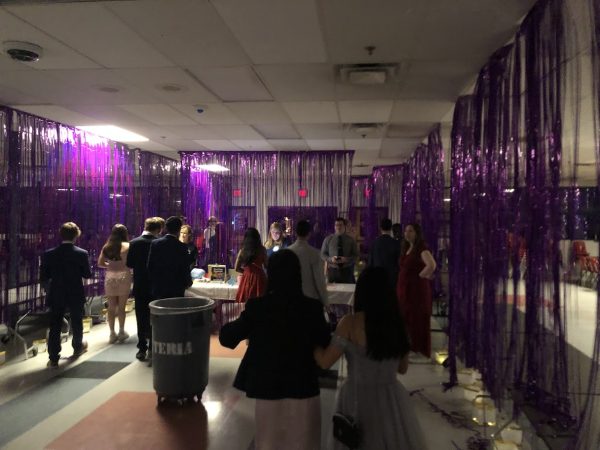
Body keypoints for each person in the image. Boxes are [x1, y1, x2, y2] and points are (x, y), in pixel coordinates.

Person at [220, 250, 331, 450]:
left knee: (269, 443)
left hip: (268, 387)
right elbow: (325, 341)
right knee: (305, 443)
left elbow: (227, 338)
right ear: (298, 274)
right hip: (303, 385)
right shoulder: (312, 308)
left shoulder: (258, 307)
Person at [314, 267, 428, 449]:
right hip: (391, 399)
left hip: (356, 397)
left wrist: (313, 343)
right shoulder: (398, 325)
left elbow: (325, 361)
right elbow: (402, 368)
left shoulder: (349, 323)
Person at [41, 222, 92, 369]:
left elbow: (44, 276)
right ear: (76, 235)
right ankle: (77, 347)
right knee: (77, 321)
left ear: (60, 234)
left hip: (56, 292)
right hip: (75, 291)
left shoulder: (49, 254)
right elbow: (87, 274)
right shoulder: (82, 253)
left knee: (55, 324)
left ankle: (53, 357)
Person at [126, 216, 164, 361]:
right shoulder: (159, 243)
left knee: (140, 317)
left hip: (140, 285)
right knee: (155, 316)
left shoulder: (134, 243)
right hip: (156, 285)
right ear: (159, 229)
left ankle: (141, 347)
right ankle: (153, 347)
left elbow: (129, 263)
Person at [396, 223, 436, 358]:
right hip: (404, 288)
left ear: (417, 233)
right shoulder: (407, 247)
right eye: (406, 231)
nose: (407, 233)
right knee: (405, 317)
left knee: (415, 318)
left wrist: (420, 276)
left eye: (410, 231)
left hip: (416, 290)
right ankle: (407, 346)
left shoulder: (421, 249)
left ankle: (416, 348)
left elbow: (431, 265)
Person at [98, 224, 132, 344]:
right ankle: (122, 331)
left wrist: (111, 265)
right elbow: (132, 262)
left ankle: (112, 333)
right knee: (122, 307)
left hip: (110, 277)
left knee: (111, 307)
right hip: (124, 276)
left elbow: (100, 263)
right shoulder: (128, 246)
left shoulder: (107, 247)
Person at [147, 216, 193, 299]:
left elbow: (150, 265)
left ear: (166, 228)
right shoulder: (182, 247)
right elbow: (185, 268)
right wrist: (188, 282)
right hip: (176, 288)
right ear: (179, 229)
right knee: (175, 310)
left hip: (159, 287)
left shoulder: (155, 243)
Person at [288, 220, 328, 305]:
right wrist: (325, 302)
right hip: (310, 300)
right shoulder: (315, 253)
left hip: (290, 299)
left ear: (295, 233)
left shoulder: (287, 252)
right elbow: (319, 280)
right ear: (309, 234)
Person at [321, 217, 359, 283]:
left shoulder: (351, 240)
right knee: (332, 292)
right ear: (334, 226)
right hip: (333, 271)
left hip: (347, 271)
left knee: (347, 291)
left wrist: (346, 259)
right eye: (336, 225)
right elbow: (322, 254)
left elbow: (356, 255)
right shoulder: (328, 239)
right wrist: (331, 259)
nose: (338, 227)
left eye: (340, 225)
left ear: (344, 226)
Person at [234, 227, 267, 303]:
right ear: (258, 237)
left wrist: (246, 272)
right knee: (260, 302)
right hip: (259, 278)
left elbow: (236, 268)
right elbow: (266, 265)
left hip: (247, 277)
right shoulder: (262, 249)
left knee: (246, 301)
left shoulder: (242, 250)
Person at [368, 218, 402, 288]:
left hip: (377, 276)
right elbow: (399, 261)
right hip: (392, 277)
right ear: (391, 228)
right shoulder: (396, 243)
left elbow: (370, 261)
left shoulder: (374, 243)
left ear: (380, 228)